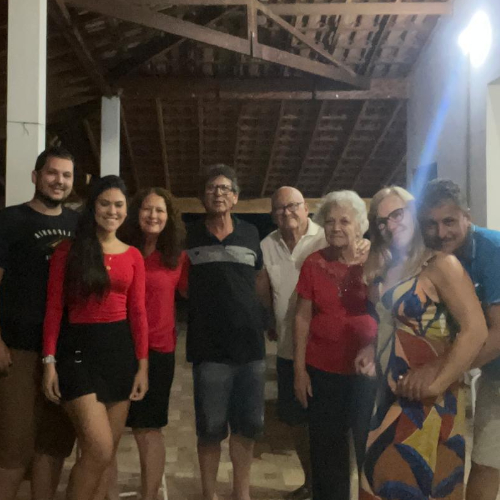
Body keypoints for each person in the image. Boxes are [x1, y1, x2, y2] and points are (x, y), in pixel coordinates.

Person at [358, 186, 488, 500]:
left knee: (409, 481)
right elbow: (392, 324)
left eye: (397, 214)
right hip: (390, 394)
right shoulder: (391, 268)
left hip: (428, 400)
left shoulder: (441, 264)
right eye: (382, 221)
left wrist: (437, 383)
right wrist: (372, 349)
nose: (390, 225)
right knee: (383, 482)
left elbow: (475, 330)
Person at [42, 175, 149, 500]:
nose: (112, 211)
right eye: (105, 204)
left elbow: (138, 313)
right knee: (99, 449)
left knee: (105, 457)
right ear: (93, 207)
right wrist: (49, 362)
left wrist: (142, 366)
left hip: (119, 355)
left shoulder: (133, 255)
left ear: (126, 210)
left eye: (118, 205)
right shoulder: (69, 251)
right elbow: (54, 308)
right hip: (77, 355)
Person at [0, 147, 78, 500]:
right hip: (18, 348)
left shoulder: (78, 225)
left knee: (53, 445)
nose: (59, 180)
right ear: (36, 176)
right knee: (13, 447)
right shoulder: (10, 220)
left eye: (66, 175)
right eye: (52, 173)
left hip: (63, 352)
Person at [186, 164, 266, 500]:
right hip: (208, 349)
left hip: (250, 348)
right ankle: (209, 494)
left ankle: (241, 493)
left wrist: (268, 321)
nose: (218, 193)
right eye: (211, 188)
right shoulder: (189, 237)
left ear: (235, 197)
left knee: (248, 428)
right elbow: (182, 286)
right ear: (202, 197)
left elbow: (260, 282)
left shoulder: (251, 234)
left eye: (225, 188)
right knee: (209, 429)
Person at [418, 179, 500, 500]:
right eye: (431, 224)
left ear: (468, 216)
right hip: (493, 372)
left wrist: (445, 370)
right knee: (486, 462)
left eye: (449, 221)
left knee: (487, 465)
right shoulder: (439, 256)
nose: (441, 232)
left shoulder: (492, 251)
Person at [293, 190, 377, 500]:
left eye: (344, 221)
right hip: (323, 370)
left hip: (367, 372)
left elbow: (390, 311)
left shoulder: (376, 261)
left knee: (369, 448)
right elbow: (302, 317)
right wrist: (299, 371)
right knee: (327, 453)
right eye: (330, 221)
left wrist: (373, 266)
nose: (336, 227)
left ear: (360, 226)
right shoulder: (314, 263)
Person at [115, 187, 188, 500]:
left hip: (158, 351)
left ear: (169, 217)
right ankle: (106, 493)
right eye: (147, 209)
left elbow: (196, 296)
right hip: (118, 348)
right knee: (109, 430)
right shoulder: (118, 249)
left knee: (148, 429)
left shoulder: (177, 258)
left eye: (160, 210)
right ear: (136, 213)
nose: (153, 215)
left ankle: (149, 496)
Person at [259, 186, 327, 500]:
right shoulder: (267, 245)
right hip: (288, 349)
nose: (286, 213)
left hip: (325, 351)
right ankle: (311, 483)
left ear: (306, 207)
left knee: (326, 424)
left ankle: (330, 487)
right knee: (297, 422)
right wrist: (269, 320)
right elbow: (265, 289)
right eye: (279, 208)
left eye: (292, 206)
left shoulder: (324, 238)